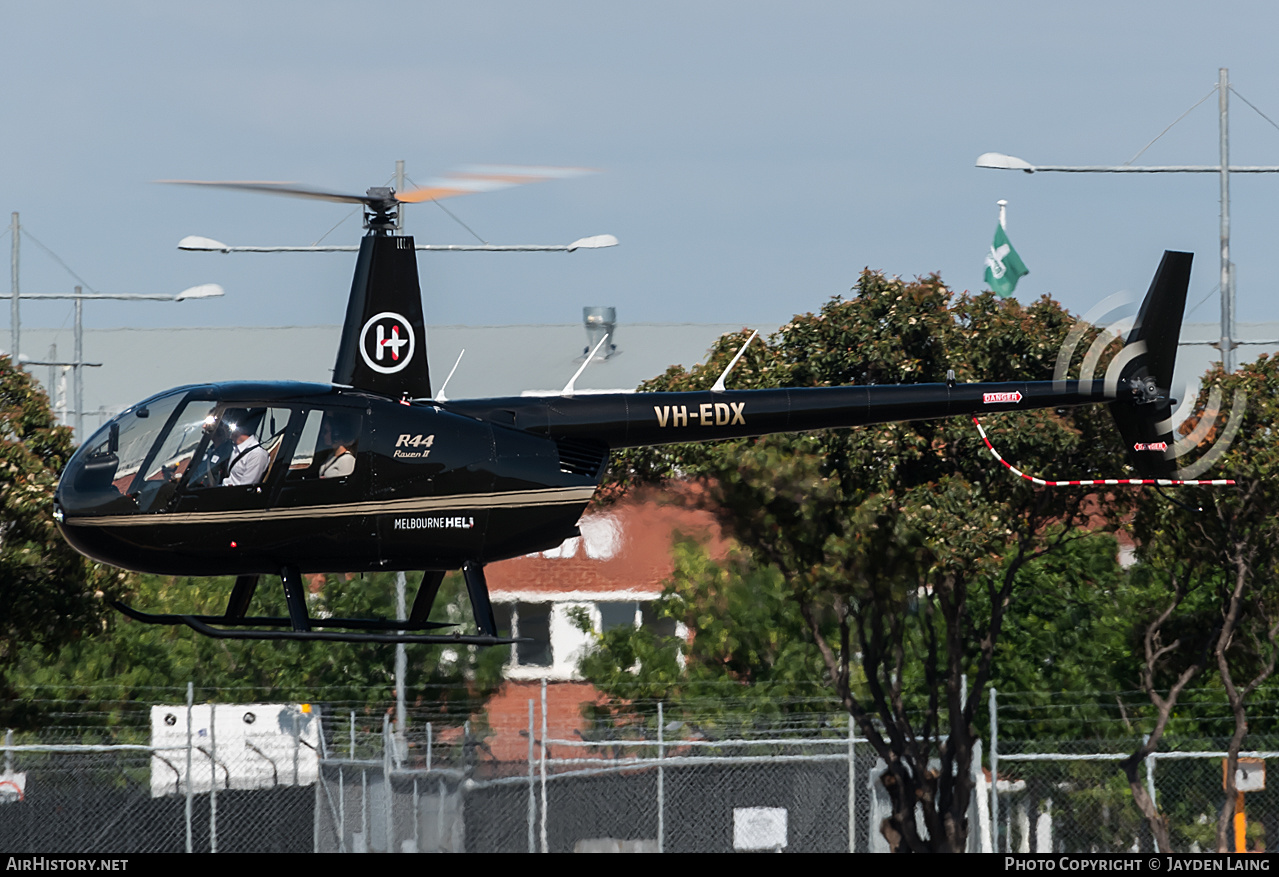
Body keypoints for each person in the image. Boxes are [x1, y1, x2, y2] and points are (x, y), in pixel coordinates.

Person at [222, 409, 270, 486]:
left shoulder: (256, 454)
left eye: (227, 424)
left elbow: (245, 488)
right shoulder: (234, 449)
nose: (224, 428)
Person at [319, 415, 358, 479]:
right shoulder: (331, 456)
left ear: (336, 434)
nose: (323, 435)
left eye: (325, 431)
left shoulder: (347, 460)